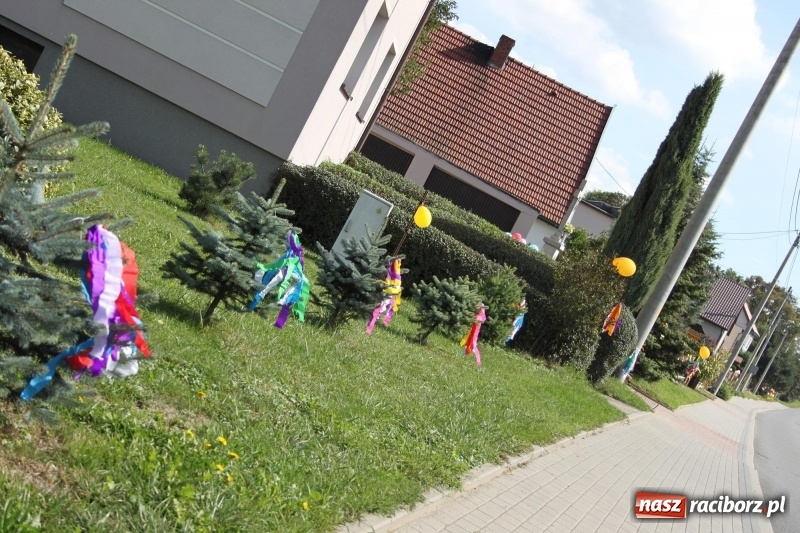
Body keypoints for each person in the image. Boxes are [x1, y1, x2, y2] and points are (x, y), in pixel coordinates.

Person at [248, 230, 310, 328]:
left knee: (267, 285)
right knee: (268, 285)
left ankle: (252, 305)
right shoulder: (295, 255)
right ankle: (254, 305)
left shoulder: (292, 256)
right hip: (289, 273)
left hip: (287, 273)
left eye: (286, 240)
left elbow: (278, 264)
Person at [366, 259, 403, 334]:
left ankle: (376, 321)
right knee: (380, 308)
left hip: (390, 291)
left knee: (384, 306)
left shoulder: (396, 268)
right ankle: (370, 326)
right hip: (389, 290)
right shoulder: (394, 268)